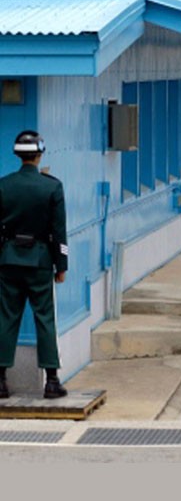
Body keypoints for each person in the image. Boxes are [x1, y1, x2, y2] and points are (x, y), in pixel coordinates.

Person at [0, 130, 68, 400]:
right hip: (40, 261)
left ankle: (1, 381)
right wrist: (61, 265)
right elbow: (58, 231)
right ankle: (51, 381)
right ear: (39, 154)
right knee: (45, 318)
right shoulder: (52, 186)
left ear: (18, 155)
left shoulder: (3, 185)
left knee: (6, 318)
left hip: (8, 260)